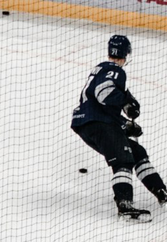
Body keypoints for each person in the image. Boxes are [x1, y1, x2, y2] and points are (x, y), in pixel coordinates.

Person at [71, 35, 167, 222]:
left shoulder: (100, 68)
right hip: (97, 123)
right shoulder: (115, 70)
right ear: (126, 54)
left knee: (136, 152)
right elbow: (103, 94)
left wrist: (125, 124)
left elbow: (103, 103)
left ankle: (162, 192)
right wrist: (126, 102)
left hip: (90, 123)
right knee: (122, 159)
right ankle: (124, 205)